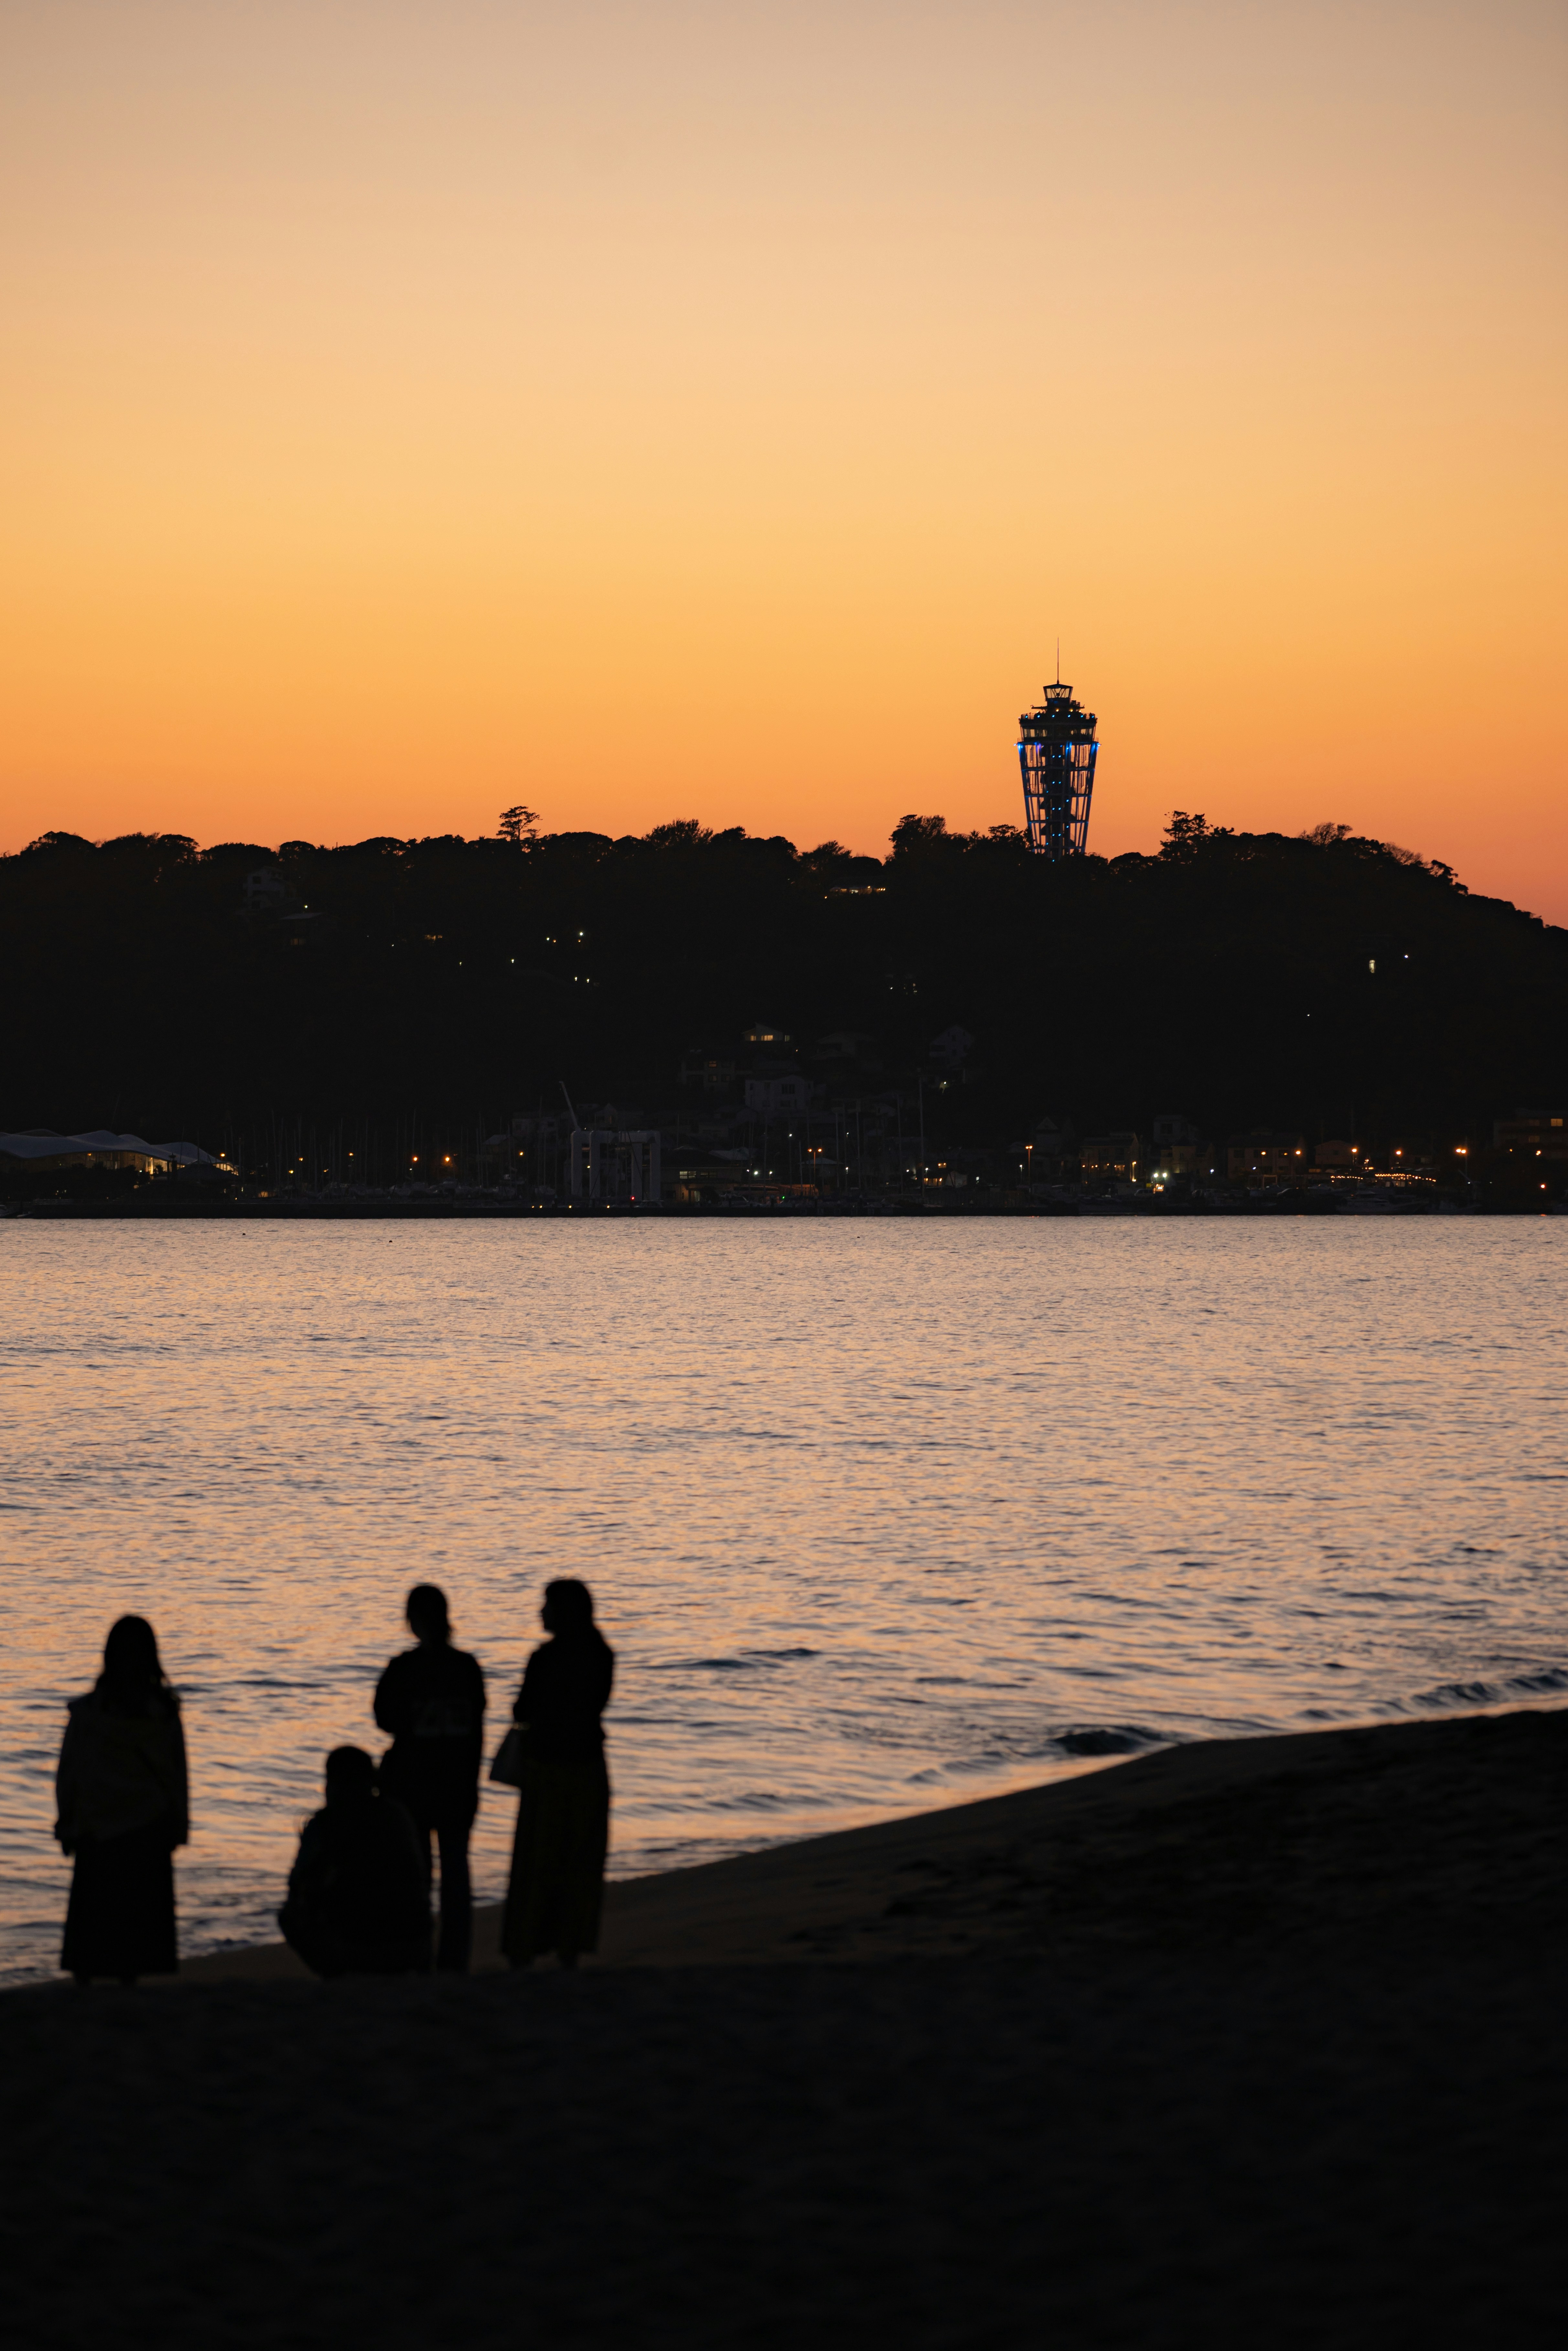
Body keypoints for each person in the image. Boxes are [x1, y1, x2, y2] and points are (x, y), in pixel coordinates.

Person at [55, 1615, 189, 1986]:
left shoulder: (88, 1714)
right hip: (149, 1828)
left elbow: (70, 1774)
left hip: (98, 1830)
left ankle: (84, 1994)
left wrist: (67, 1821)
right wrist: (180, 1824)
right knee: (136, 1935)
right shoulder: (163, 1713)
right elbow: (178, 1775)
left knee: (91, 1930)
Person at [501, 1578, 614, 1970]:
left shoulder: (545, 1658)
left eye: (548, 1605)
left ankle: (525, 1950)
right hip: (587, 1765)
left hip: (549, 1770)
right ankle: (570, 1949)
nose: (541, 1612)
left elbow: (523, 1710)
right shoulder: (601, 1654)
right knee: (579, 1861)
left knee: (537, 1862)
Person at [373, 1584, 486, 1971]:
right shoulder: (467, 1668)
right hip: (457, 1784)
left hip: (413, 1786)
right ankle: (454, 1961)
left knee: (416, 1878)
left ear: (412, 1621)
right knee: (456, 1876)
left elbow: (384, 1720)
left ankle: (416, 1956)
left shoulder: (404, 1669)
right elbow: (477, 1732)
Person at [278, 1746, 430, 1978]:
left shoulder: (326, 1825)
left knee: (290, 1916)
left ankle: (336, 1975)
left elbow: (298, 1886)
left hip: (356, 1947)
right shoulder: (397, 1815)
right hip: (413, 1944)